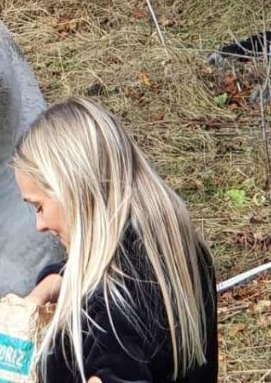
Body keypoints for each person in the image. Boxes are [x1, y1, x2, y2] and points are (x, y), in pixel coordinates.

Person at [14, 97, 218, 383]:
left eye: (39, 207)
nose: (40, 225)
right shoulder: (178, 253)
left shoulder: (106, 306)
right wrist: (50, 285)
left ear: (74, 190)